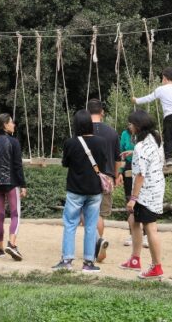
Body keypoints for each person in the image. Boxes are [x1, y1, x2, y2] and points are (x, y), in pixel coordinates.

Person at [52, 109, 107, 273]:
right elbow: (103, 165)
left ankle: (67, 260)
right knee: (91, 226)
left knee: (70, 224)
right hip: (95, 189)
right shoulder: (101, 142)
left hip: (75, 189)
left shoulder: (70, 143)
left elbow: (65, 163)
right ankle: (89, 263)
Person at [120, 110, 165, 279]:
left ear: (137, 126)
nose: (129, 127)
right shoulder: (155, 138)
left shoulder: (140, 146)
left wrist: (133, 198)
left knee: (150, 227)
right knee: (133, 220)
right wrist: (134, 154)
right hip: (156, 186)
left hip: (146, 191)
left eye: (131, 124)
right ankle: (135, 259)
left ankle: (156, 266)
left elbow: (140, 176)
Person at [0, 113, 27, 261]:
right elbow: (17, 165)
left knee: (0, 216)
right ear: (5, 125)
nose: (14, 124)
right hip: (11, 183)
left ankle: (0, 248)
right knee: (15, 214)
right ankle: (12, 244)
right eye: (11, 122)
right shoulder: (14, 142)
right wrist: (23, 184)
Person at [86, 98, 122, 263]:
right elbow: (117, 159)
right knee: (99, 213)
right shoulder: (112, 132)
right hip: (106, 176)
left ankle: (97, 243)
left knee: (86, 212)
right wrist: (115, 176)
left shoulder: (82, 130)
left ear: (87, 112)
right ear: (102, 112)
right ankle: (98, 243)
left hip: (85, 175)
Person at [132, 67, 172, 166]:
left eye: (162, 78)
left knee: (168, 137)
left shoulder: (160, 89)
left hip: (169, 116)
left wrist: (136, 100)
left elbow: (149, 98)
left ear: (165, 78)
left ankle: (169, 159)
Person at [118, 123, 148, 249]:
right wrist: (119, 173)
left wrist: (134, 152)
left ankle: (146, 235)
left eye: (133, 123)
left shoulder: (146, 136)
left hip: (143, 167)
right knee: (129, 199)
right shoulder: (125, 134)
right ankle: (132, 234)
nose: (131, 126)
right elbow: (120, 154)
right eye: (129, 123)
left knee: (143, 199)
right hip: (129, 167)